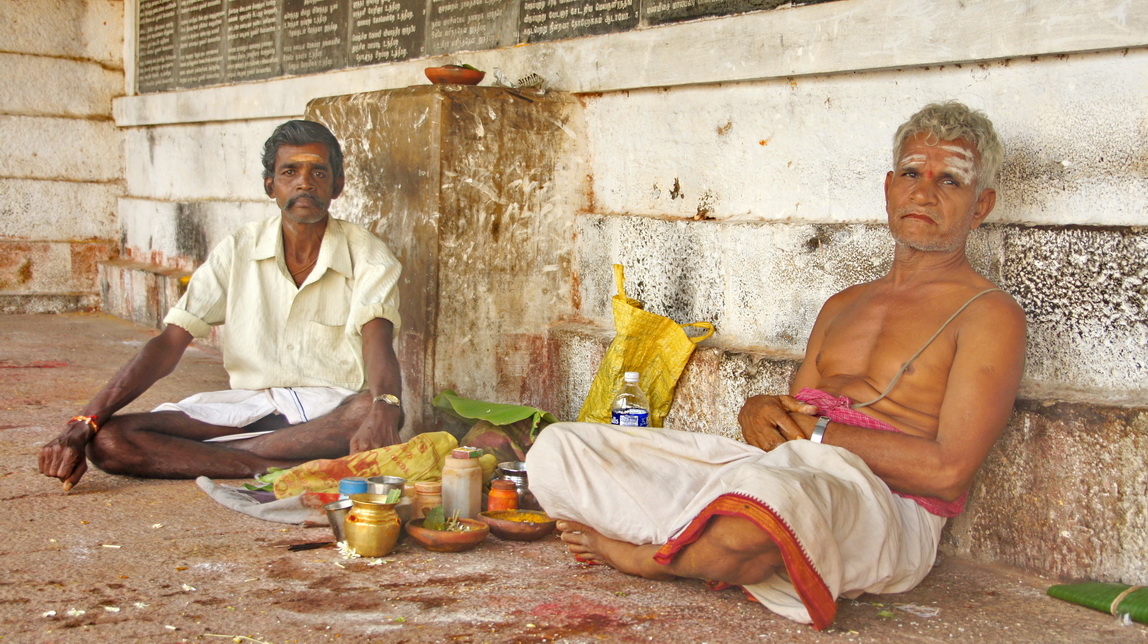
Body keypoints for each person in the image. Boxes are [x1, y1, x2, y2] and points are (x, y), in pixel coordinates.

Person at [526, 102, 1027, 629]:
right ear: (888, 188)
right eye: (911, 174)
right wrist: (758, 410)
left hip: (881, 501)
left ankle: (648, 556)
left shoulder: (989, 314)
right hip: (784, 471)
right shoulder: (843, 304)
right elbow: (782, 431)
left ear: (981, 205)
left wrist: (815, 435)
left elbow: (948, 473)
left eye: (949, 180)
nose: (923, 193)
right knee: (562, 450)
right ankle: (719, 545)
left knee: (765, 509)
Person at [39, 120, 405, 491]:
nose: (304, 183)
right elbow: (169, 344)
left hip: (331, 410)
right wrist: (85, 421)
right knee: (108, 440)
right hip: (249, 407)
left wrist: (386, 406)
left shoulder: (368, 254)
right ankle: (268, 465)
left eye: (319, 173)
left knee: (368, 411)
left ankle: (224, 458)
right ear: (270, 185)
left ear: (337, 186)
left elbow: (378, 341)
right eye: (289, 172)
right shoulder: (239, 248)